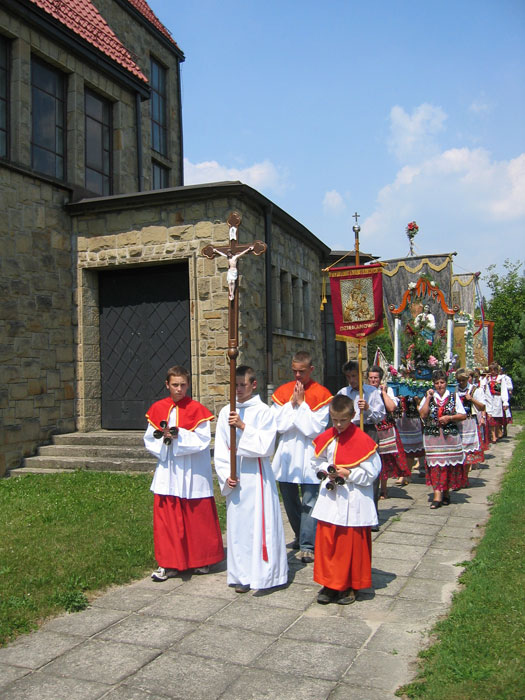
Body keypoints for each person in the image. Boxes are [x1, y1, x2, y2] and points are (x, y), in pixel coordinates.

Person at [144, 366, 225, 581]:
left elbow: (203, 440)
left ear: (188, 385)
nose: (179, 389)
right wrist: (163, 439)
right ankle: (169, 564)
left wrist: (179, 436)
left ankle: (201, 560)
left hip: (192, 471)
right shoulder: (158, 408)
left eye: (182, 385)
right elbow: (149, 439)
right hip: (169, 472)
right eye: (175, 385)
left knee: (197, 518)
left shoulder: (197, 409)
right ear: (167, 385)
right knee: (168, 520)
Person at [214, 366, 288, 593]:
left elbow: (266, 446)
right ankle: (241, 575)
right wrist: (226, 475)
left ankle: (265, 574)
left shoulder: (264, 411)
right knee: (239, 527)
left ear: (253, 385)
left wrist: (243, 426)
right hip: (236, 476)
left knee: (259, 525)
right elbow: (221, 447)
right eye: (234, 385)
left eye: (242, 385)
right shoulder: (226, 411)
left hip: (256, 475)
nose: (238, 389)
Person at [311, 394, 381, 605]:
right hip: (331, 498)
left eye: (343, 420)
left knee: (349, 545)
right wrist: (328, 470)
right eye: (335, 420)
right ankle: (329, 584)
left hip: (353, 498)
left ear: (352, 416)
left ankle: (349, 586)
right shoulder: (328, 437)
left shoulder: (362, 441)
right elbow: (316, 461)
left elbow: (371, 473)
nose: (339, 425)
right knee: (328, 543)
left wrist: (349, 474)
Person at [271, 350, 333, 564]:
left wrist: (302, 405)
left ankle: (308, 544)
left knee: (310, 500)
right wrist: (292, 404)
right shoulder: (282, 392)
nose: (297, 375)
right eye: (295, 371)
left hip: (309, 454)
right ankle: (300, 535)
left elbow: (315, 429)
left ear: (311, 369)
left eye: (302, 371)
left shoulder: (322, 394)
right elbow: (278, 425)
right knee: (289, 500)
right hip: (287, 454)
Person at [337, 360, 385, 524]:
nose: (351, 380)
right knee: (350, 469)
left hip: (368, 430)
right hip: (349, 431)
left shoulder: (372, 392)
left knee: (370, 469)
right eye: (348, 376)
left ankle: (372, 514)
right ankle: (352, 512)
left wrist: (368, 409)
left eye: (354, 376)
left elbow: (381, 416)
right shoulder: (343, 393)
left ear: (360, 375)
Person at [418, 369, 466, 509]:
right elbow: (423, 414)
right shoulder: (429, 396)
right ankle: (437, 495)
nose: (439, 385)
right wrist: (428, 398)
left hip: (449, 437)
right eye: (437, 383)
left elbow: (463, 415)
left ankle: (445, 492)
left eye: (442, 382)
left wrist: (450, 417)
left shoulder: (453, 397)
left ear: (446, 383)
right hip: (433, 436)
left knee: (447, 466)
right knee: (435, 466)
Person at [367, 365, 411, 498]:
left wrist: (384, 393)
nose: (373, 380)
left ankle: (383, 489)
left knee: (384, 460)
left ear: (380, 379)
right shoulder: (365, 391)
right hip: (371, 427)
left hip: (385, 428)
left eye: (376, 378)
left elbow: (392, 408)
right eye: (371, 378)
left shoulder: (387, 391)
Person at [456, 368, 486, 487]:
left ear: (467, 379)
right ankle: (459, 477)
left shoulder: (475, 390)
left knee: (467, 450)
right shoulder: (455, 390)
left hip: (469, 422)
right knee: (458, 450)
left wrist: (471, 399)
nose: (461, 383)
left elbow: (482, 407)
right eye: (459, 380)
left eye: (463, 380)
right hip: (457, 423)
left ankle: (464, 477)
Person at [483, 362, 509, 443]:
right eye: (491, 370)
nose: (493, 372)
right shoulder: (488, 379)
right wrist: (485, 379)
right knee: (491, 418)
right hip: (489, 399)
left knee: (497, 418)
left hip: (498, 399)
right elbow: (482, 387)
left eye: (494, 370)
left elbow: (504, 390)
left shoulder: (500, 379)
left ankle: (497, 433)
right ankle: (493, 435)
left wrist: (505, 401)